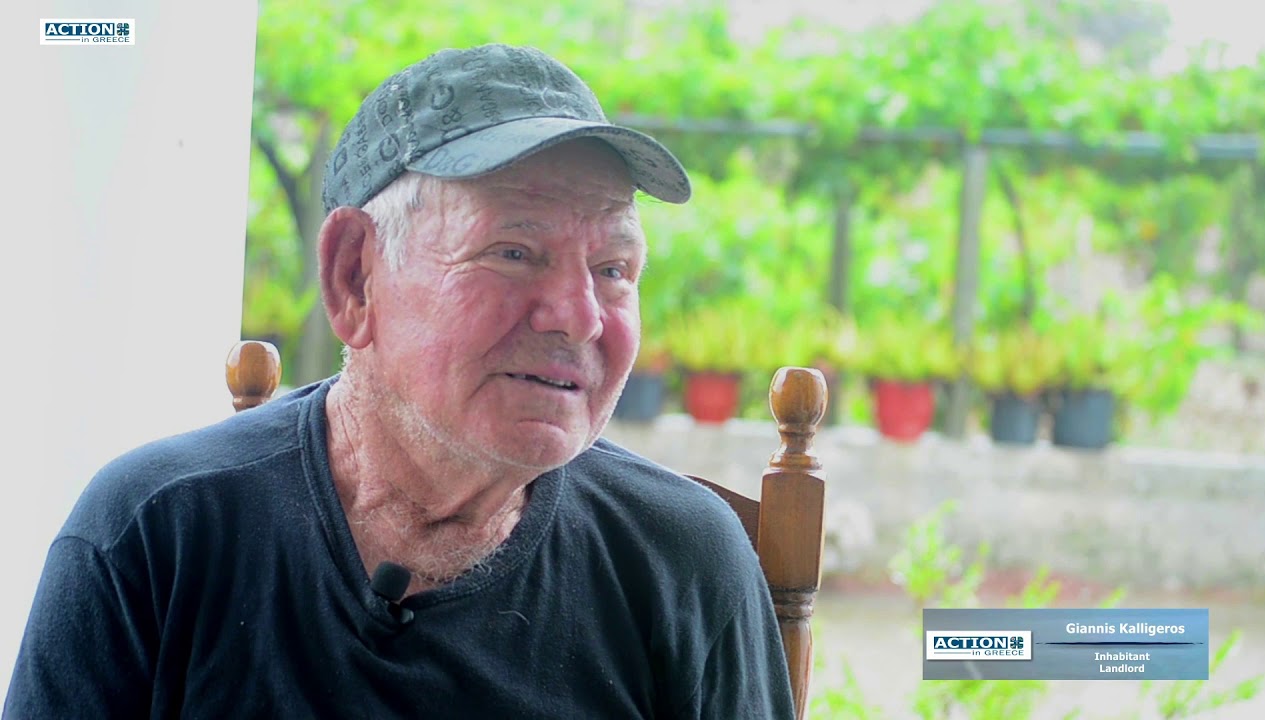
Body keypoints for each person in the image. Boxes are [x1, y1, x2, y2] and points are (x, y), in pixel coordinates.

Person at [5, 43, 794, 719]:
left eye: (613, 269)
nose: (578, 317)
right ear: (356, 277)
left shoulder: (681, 559)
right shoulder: (157, 535)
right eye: (514, 252)